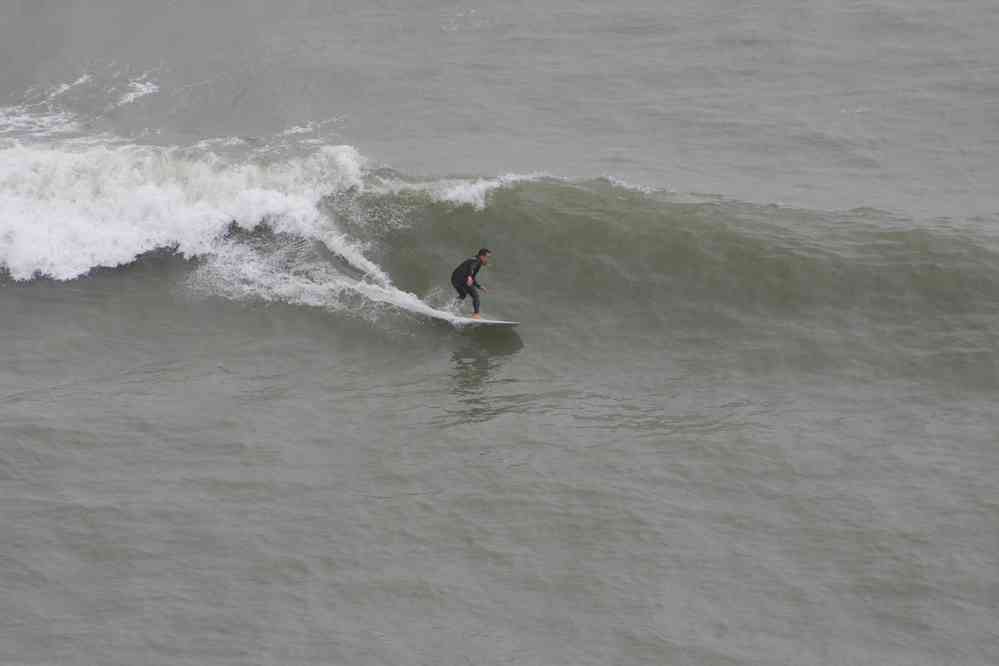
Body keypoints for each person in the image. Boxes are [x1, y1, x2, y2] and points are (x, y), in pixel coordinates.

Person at [451, 248, 490, 318]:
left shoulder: (474, 259)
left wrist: (479, 286)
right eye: (487, 257)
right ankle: (476, 315)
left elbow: (472, 277)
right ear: (482, 256)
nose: (488, 259)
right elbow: (471, 267)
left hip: (454, 278)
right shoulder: (477, 261)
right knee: (476, 296)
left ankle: (451, 308)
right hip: (462, 278)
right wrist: (469, 276)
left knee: (463, 295)